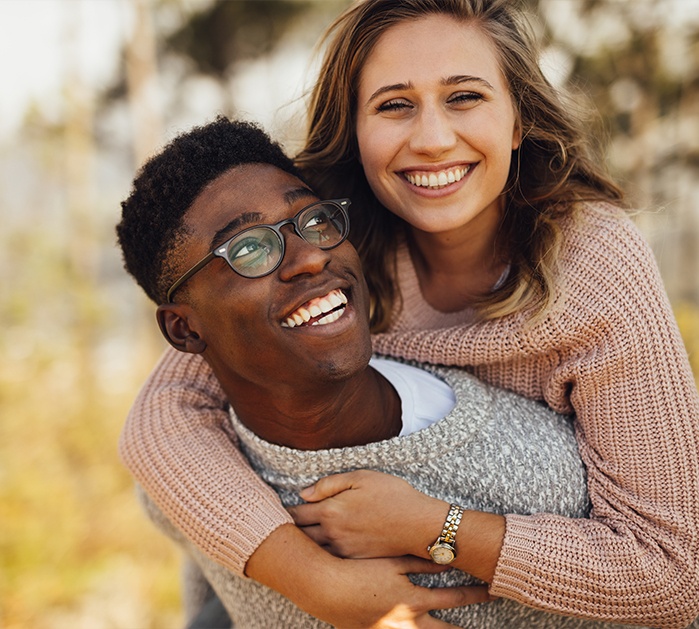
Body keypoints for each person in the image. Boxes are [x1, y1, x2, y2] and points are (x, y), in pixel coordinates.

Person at [119, 0, 699, 627]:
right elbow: (164, 416)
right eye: (395, 105)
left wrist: (434, 527)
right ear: (357, 132)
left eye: (465, 97)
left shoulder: (592, 262)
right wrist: (315, 580)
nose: (432, 139)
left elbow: (675, 571)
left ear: (516, 122)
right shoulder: (328, 239)